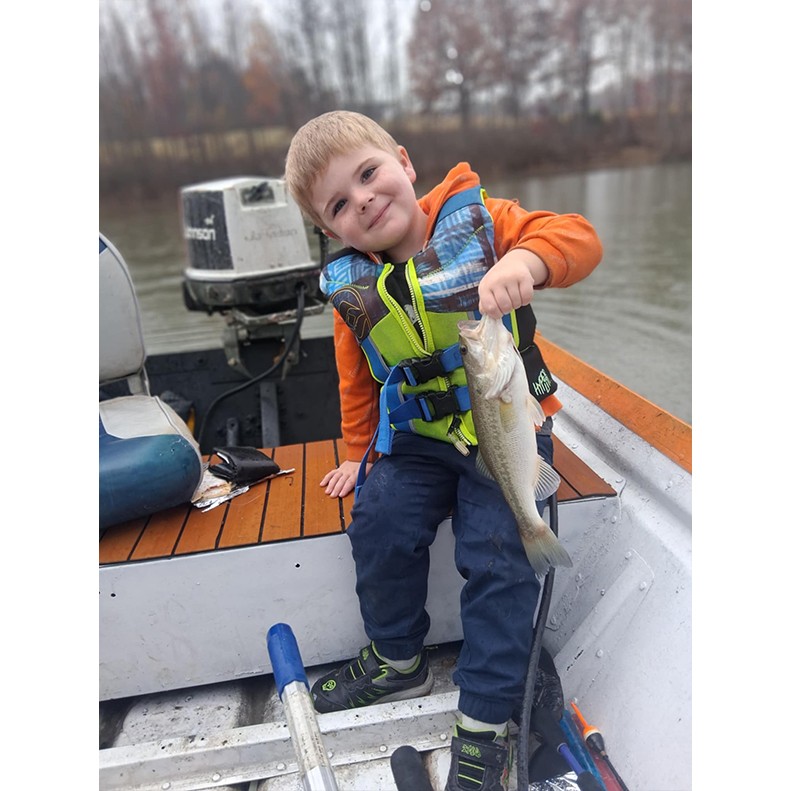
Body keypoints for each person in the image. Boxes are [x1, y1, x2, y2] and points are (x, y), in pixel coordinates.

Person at [284, 110, 602, 791]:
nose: (363, 199)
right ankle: (396, 654)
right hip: (421, 443)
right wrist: (356, 451)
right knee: (378, 517)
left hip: (508, 432)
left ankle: (485, 722)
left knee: (498, 552)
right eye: (340, 203)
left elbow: (578, 237)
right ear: (328, 228)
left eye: (368, 174)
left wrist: (525, 259)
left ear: (402, 161)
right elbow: (356, 378)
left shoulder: (484, 220)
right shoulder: (353, 286)